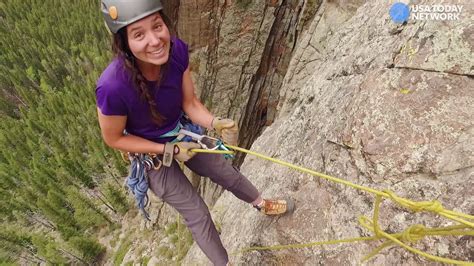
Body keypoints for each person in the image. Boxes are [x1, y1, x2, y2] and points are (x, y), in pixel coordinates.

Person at [96, 1, 294, 265]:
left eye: (157, 26)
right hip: (149, 153)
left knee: (226, 172)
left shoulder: (176, 51)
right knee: (198, 213)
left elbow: (189, 103)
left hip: (180, 131)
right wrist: (168, 150)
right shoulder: (112, 86)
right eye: (139, 34)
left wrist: (216, 123)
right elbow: (114, 138)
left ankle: (262, 204)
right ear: (124, 42)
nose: (155, 40)